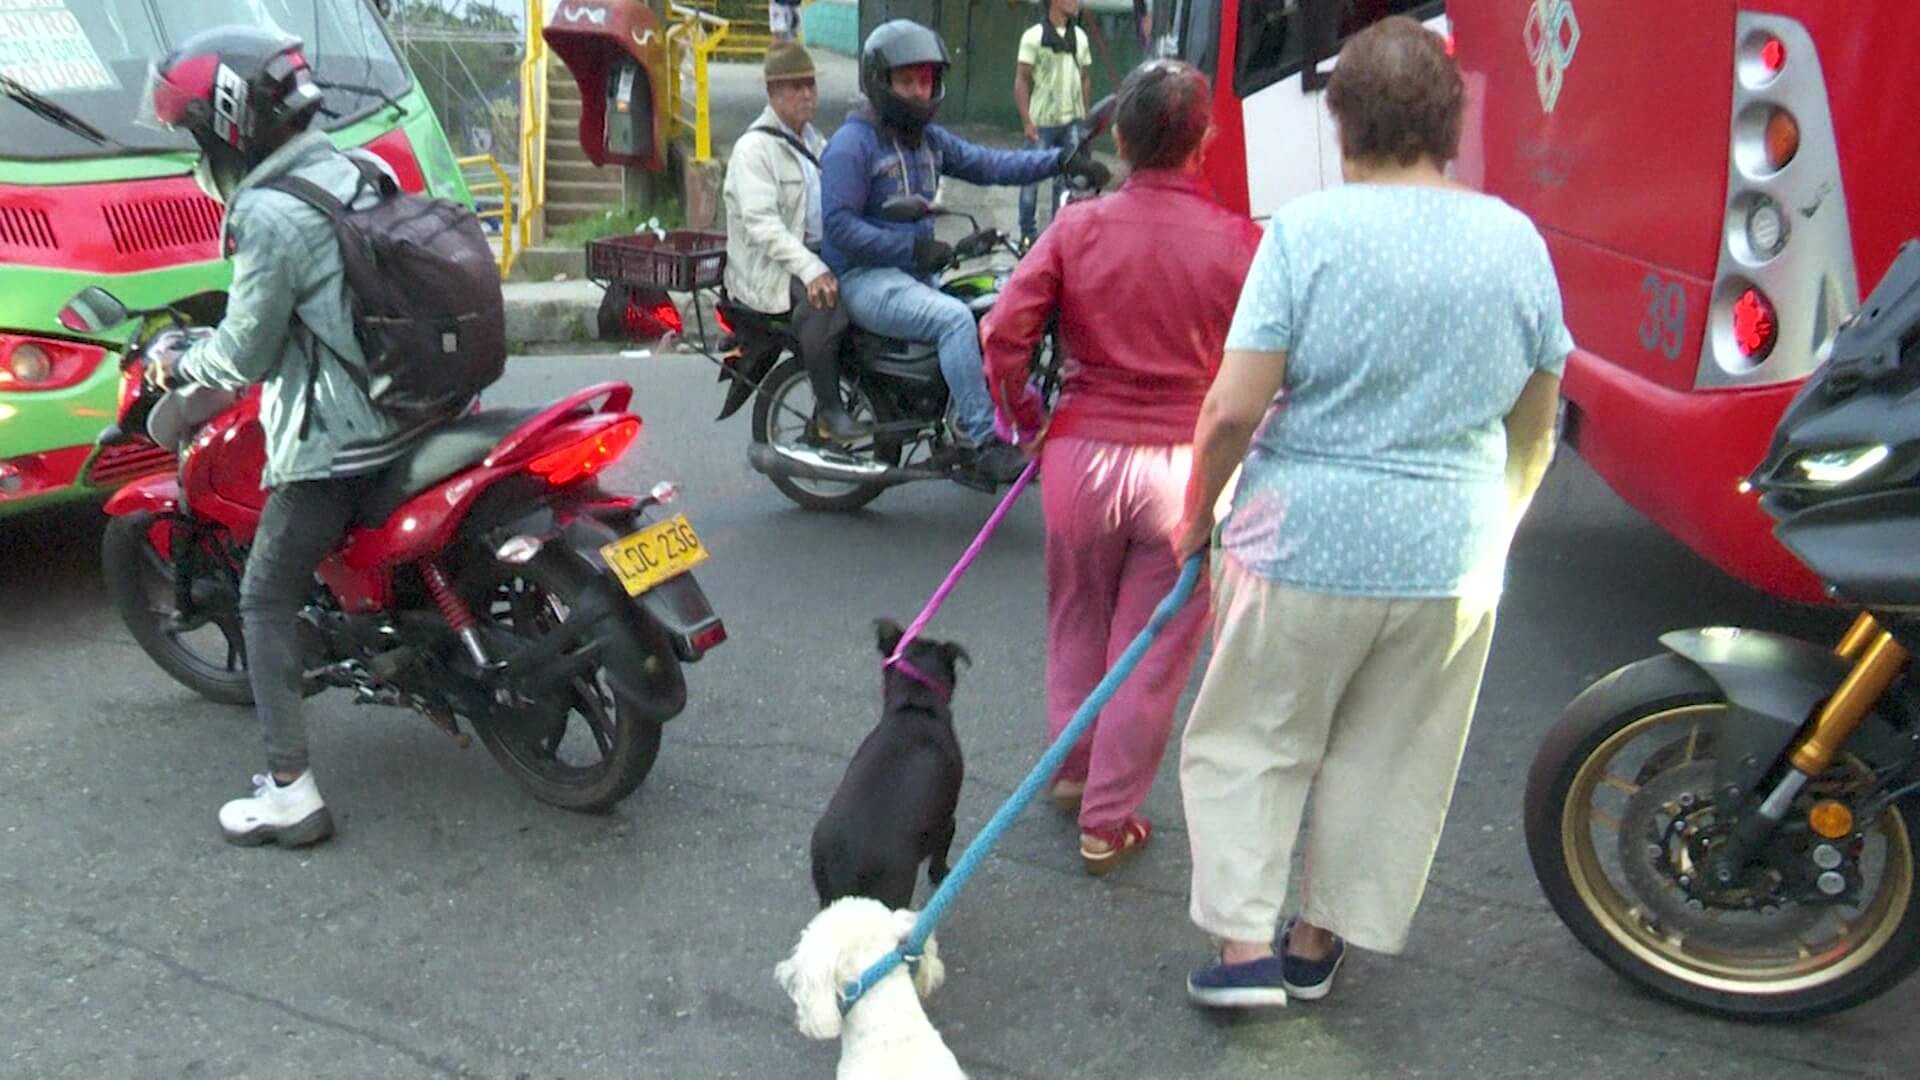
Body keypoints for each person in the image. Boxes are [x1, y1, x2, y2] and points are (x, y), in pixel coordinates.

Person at [1172, 17, 1571, 1006]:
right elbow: (1536, 426)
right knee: (1389, 759)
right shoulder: (1516, 243)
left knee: (1252, 739)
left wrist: (1199, 515)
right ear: (1451, 121)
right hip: (1452, 555)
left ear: (1340, 119)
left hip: (1300, 542)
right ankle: (1316, 943)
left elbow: (1232, 409)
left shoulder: (1306, 233)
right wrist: (1499, 525)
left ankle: (1241, 955)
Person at [143, 27, 454, 848]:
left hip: (343, 443)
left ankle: (290, 789)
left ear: (229, 127)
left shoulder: (267, 214)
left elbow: (243, 352)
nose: (194, 151)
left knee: (265, 593)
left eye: (194, 135)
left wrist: (179, 362)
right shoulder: (361, 166)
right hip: (425, 400)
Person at [983, 59, 1260, 875]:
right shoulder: (1243, 243)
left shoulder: (1076, 228)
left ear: (1122, 138)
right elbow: (1266, 376)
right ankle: (1108, 818)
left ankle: (1073, 773)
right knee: (1152, 646)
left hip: (1079, 453)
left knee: (1076, 620)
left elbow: (1002, 335)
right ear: (1203, 141)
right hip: (1186, 468)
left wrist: (1026, 420)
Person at [822, 19, 1090, 486]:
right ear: (879, 82)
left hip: (912, 275)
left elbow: (989, 164)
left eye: (925, 81)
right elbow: (839, 227)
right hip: (865, 278)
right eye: (907, 81)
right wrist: (911, 247)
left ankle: (975, 412)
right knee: (953, 320)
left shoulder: (927, 140)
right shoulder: (853, 144)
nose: (919, 92)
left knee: (992, 304)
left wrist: (1059, 162)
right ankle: (982, 443)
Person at [722, 42, 866, 441]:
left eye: (810, 86)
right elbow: (763, 225)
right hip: (769, 270)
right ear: (772, 93)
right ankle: (828, 413)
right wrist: (813, 269)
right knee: (825, 306)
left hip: (813, 254)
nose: (807, 95)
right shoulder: (754, 150)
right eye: (795, 87)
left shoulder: (813, 142)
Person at [1014, 0, 1094, 248]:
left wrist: (1084, 118)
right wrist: (1027, 120)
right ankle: (1028, 235)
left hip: (1071, 123)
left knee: (1065, 185)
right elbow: (1022, 80)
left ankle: (1057, 236)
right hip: (1041, 124)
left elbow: (1085, 78)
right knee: (1030, 181)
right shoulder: (1033, 36)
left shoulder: (1080, 37)